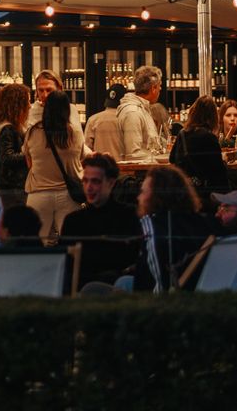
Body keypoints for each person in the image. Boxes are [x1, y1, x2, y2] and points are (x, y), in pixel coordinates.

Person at [59, 153, 141, 288]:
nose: (88, 187)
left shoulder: (129, 216)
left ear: (111, 182)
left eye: (95, 181)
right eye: (85, 181)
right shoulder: (73, 221)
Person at [133, 165, 210, 292]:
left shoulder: (153, 227)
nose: (138, 198)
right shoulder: (202, 222)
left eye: (143, 192)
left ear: (156, 197)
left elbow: (160, 282)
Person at [22, 90, 85, 240]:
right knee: (71, 243)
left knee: (36, 244)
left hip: (38, 194)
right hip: (69, 195)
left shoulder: (33, 132)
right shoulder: (75, 132)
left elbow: (28, 161)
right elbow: (81, 158)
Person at [169, 96, 228, 195]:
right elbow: (218, 173)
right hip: (205, 192)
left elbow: (172, 159)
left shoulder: (182, 134)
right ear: (213, 116)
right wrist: (224, 160)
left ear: (193, 113)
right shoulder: (209, 137)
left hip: (185, 191)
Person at [0, 83, 31, 208]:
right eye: (27, 101)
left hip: (7, 189)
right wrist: (30, 155)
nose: (30, 105)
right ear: (17, 105)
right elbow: (7, 158)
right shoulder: (7, 129)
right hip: (12, 190)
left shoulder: (3, 126)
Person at [116, 65, 163, 161]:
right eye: (159, 86)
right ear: (153, 88)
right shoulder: (133, 112)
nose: (160, 89)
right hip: (138, 174)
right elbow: (133, 154)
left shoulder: (142, 109)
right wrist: (160, 160)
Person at [85, 83, 125, 159]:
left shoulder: (93, 119)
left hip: (101, 167)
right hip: (124, 167)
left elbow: (86, 149)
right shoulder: (128, 119)